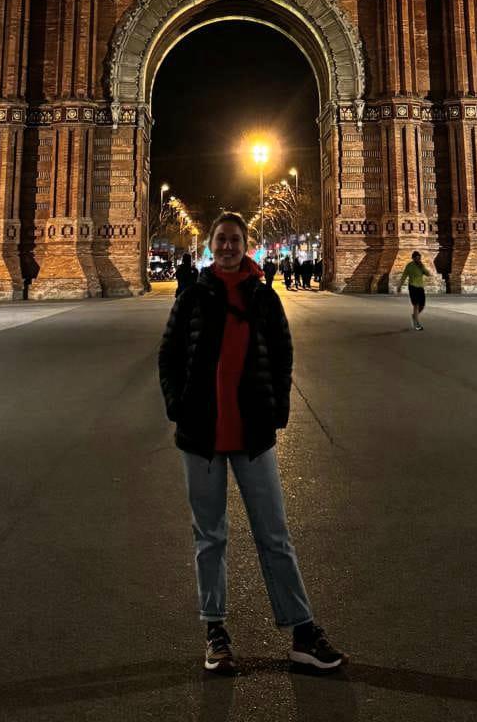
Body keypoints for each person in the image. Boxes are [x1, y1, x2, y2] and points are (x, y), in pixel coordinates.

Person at [158, 211, 345, 677]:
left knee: (274, 534)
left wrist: (277, 408)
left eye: (235, 239)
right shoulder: (192, 294)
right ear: (211, 244)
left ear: (245, 245)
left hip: (252, 434)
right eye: (221, 239)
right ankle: (216, 631)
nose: (227, 246)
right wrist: (178, 405)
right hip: (201, 433)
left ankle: (302, 632)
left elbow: (282, 354)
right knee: (210, 536)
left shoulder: (264, 297)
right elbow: (169, 353)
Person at [395, 251, 429, 329]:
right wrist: (399, 286)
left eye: (419, 258)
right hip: (412, 287)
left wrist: (422, 267)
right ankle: (417, 324)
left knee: (422, 305)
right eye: (416, 258)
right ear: (413, 258)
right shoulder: (409, 266)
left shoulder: (421, 265)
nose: (418, 259)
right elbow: (404, 276)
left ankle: (414, 316)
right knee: (416, 305)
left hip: (420, 287)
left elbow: (428, 274)